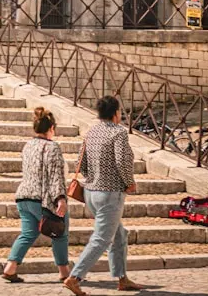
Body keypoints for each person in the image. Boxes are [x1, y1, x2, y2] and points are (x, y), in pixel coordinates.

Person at [64, 95, 143, 294]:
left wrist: (94, 177)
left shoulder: (91, 132)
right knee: (101, 238)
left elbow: (79, 163)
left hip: (91, 193)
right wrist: (129, 183)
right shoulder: (118, 133)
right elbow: (122, 161)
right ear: (115, 113)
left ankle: (122, 278)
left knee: (119, 236)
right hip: (110, 194)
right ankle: (75, 277)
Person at [2, 107, 70, 283]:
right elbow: (55, 176)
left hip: (24, 196)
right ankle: (64, 272)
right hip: (43, 199)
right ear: (52, 128)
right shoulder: (53, 147)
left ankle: (10, 267)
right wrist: (61, 199)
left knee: (28, 233)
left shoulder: (28, 146)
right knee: (60, 234)